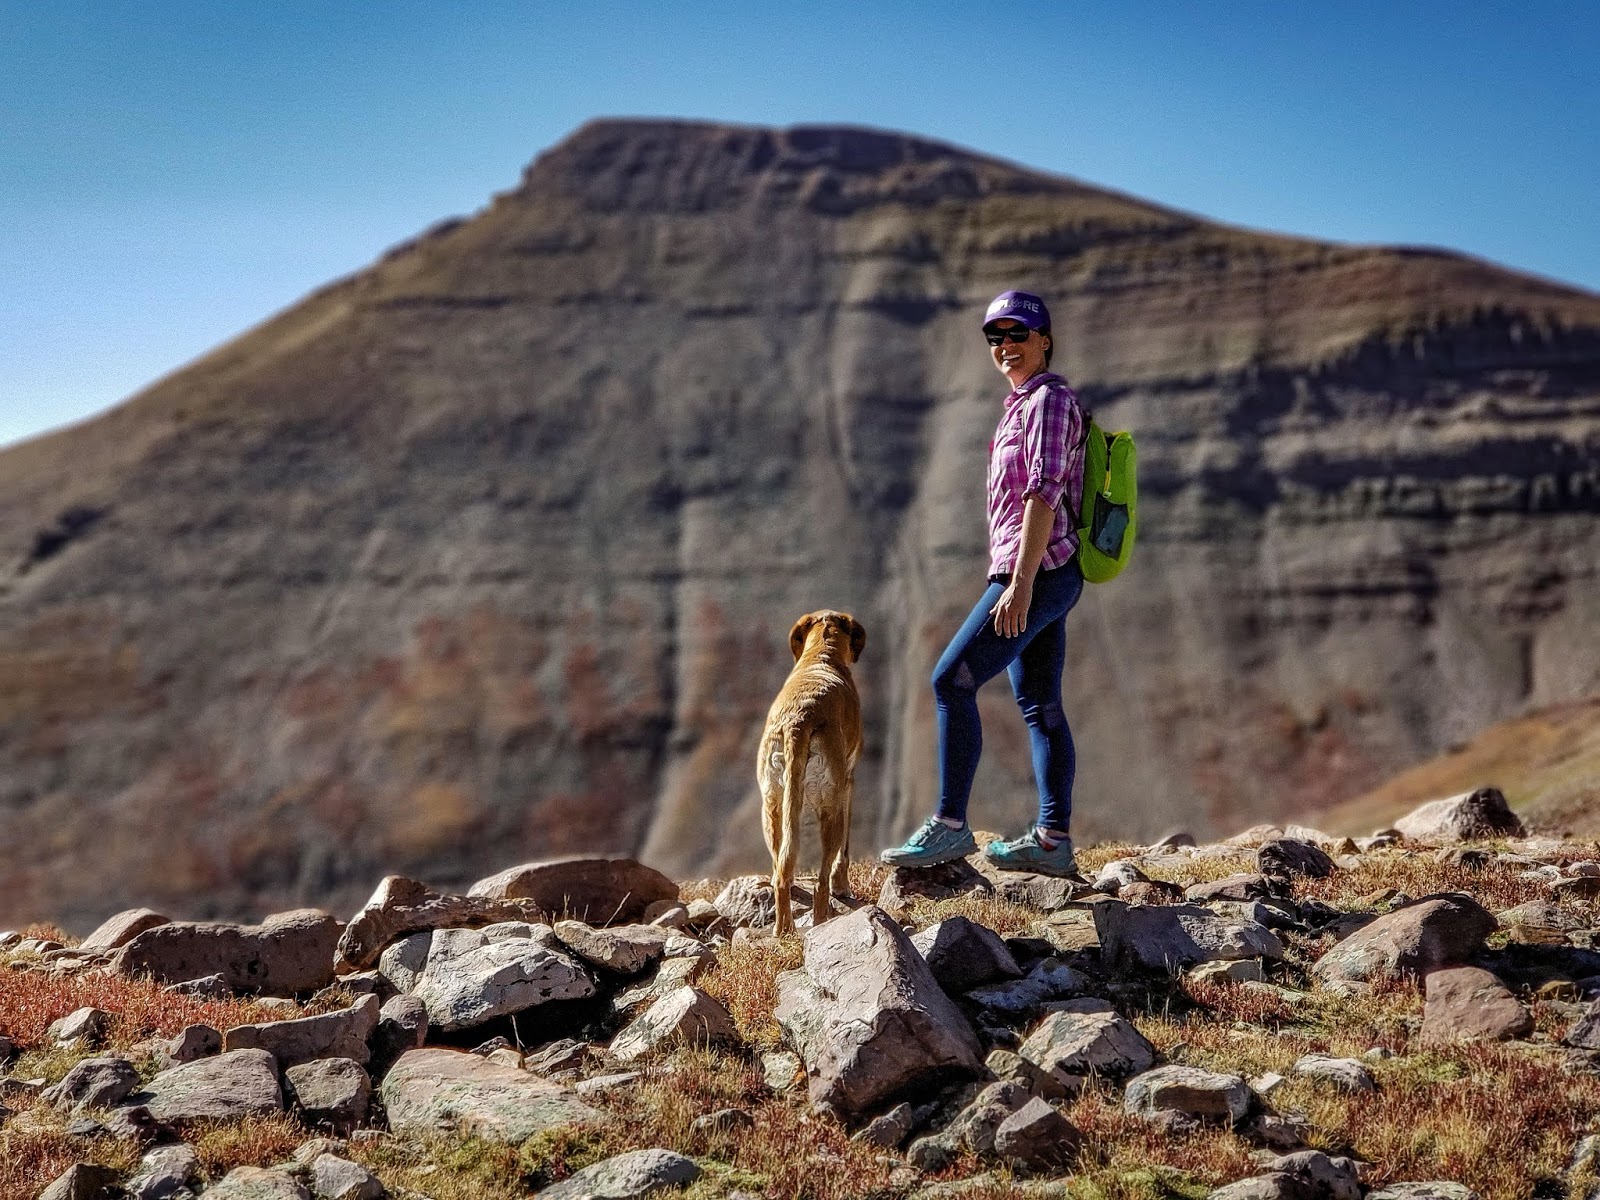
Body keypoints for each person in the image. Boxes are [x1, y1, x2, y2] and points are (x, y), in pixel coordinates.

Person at [881, 289, 1088, 877]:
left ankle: (948, 826)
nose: (1005, 346)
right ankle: (1053, 842)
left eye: (1018, 334)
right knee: (1040, 704)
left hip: (1038, 572)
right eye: (995, 337)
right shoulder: (1020, 405)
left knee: (951, 680)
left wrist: (1019, 584)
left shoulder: (1048, 401)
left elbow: (1043, 494)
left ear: (1045, 339)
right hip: (1042, 572)